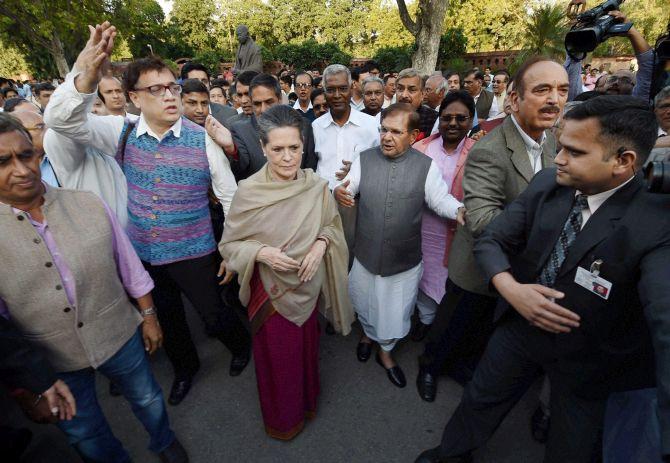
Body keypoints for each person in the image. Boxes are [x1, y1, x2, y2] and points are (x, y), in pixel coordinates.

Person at [415, 95, 669, 463]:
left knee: (572, 443)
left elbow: (665, 322)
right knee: (479, 401)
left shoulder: (656, 222)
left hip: (590, 357)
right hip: (519, 330)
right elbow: (492, 239)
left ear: (623, 161)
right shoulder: (549, 183)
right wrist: (510, 288)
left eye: (575, 152)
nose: (559, 158)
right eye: (560, 146)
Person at [45, 22, 250, 406]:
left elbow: (230, 197)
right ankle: (185, 371)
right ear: (134, 98)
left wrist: (233, 250)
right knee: (169, 320)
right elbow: (62, 122)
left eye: (172, 86)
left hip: (196, 252)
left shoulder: (200, 138)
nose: (170, 96)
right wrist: (83, 76)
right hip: (144, 255)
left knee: (213, 314)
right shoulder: (119, 132)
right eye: (156, 89)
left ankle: (241, 346)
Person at [0, 111, 188, 463]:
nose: (21, 170)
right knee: (84, 431)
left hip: (118, 333)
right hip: (50, 361)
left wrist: (149, 316)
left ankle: (164, 440)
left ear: (38, 155)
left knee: (147, 398)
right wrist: (23, 387)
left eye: (25, 156)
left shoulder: (86, 203)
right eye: (3, 161)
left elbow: (128, 265)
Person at [416, 57, 569, 403]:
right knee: (451, 324)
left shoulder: (548, 142)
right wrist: (542, 231)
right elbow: (482, 218)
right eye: (542, 90)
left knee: (480, 328)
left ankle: (458, 365)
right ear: (514, 99)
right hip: (475, 265)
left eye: (562, 90)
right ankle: (429, 367)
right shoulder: (488, 150)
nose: (554, 100)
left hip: (515, 267)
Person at [219, 105, 353, 440]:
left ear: (303, 146)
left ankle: (306, 404)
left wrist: (322, 244)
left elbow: (332, 225)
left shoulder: (315, 186)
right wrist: (260, 252)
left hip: (308, 286)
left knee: (305, 352)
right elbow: (230, 245)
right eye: (277, 149)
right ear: (263, 148)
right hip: (270, 292)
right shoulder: (249, 191)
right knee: (279, 361)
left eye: (294, 148)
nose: (287, 157)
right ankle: (283, 421)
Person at [334, 103, 465, 388]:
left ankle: (386, 353)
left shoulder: (425, 167)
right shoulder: (365, 158)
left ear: (414, 135)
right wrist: (340, 190)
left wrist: (460, 211)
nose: (386, 137)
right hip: (366, 254)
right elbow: (349, 185)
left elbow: (440, 200)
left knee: (395, 310)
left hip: (403, 259)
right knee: (364, 299)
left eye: (395, 131)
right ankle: (367, 335)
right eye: (383, 130)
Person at [409, 91, 476, 343]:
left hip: (455, 230)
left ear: (470, 120)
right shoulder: (421, 147)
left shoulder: (478, 152)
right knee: (421, 274)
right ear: (439, 118)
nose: (453, 124)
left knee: (445, 279)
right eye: (447, 117)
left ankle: (439, 325)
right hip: (420, 228)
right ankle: (425, 319)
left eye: (461, 118)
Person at [209, 73, 317, 181]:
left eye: (269, 102)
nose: (263, 109)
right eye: (257, 104)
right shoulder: (240, 130)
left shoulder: (303, 126)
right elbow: (237, 171)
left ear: (279, 99)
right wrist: (231, 149)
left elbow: (310, 168)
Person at [11, 110, 60, 187]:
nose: (48, 131)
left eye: (47, 126)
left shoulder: (60, 154)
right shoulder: (8, 168)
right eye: (40, 127)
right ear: (19, 133)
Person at [396, 68, 438, 139]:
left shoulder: (433, 119)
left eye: (412, 90)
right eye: (400, 89)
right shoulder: (385, 115)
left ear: (423, 93)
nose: (404, 95)